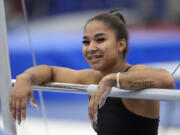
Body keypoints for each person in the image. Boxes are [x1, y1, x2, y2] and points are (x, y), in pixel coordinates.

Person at [10, 9, 175, 135]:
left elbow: (166, 79)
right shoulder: (92, 77)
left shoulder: (135, 72)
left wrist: (112, 80)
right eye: (86, 42)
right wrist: (25, 78)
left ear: (121, 45)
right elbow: (51, 72)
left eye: (100, 40)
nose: (91, 48)